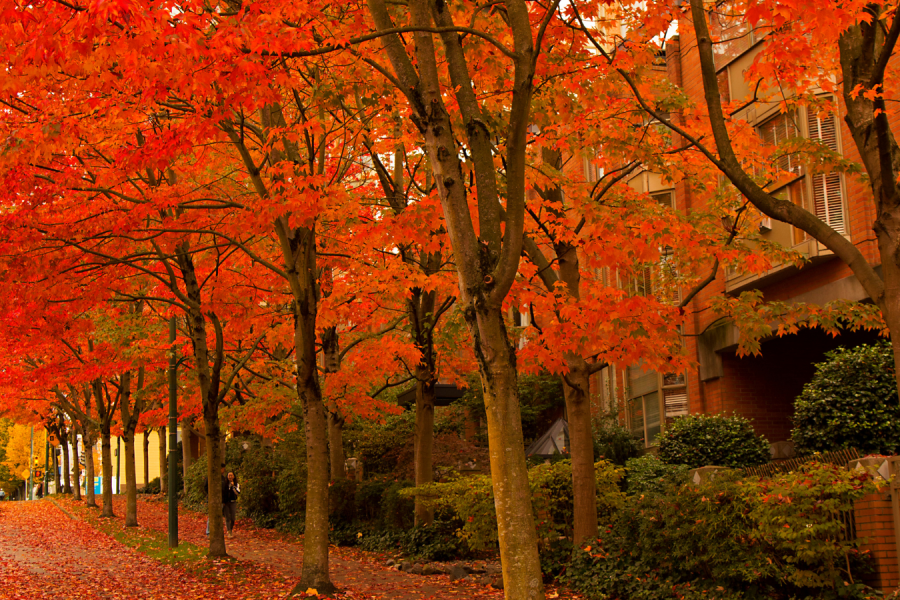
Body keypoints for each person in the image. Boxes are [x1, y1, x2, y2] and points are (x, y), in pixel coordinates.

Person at [223, 471, 240, 537]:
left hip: (233, 502)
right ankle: (229, 531)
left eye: (231, 475)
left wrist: (233, 486)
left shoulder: (236, 484)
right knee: (227, 517)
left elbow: (237, 493)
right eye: (229, 475)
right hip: (226, 502)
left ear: (234, 476)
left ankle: (231, 529)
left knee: (232, 518)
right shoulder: (225, 484)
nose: (230, 477)